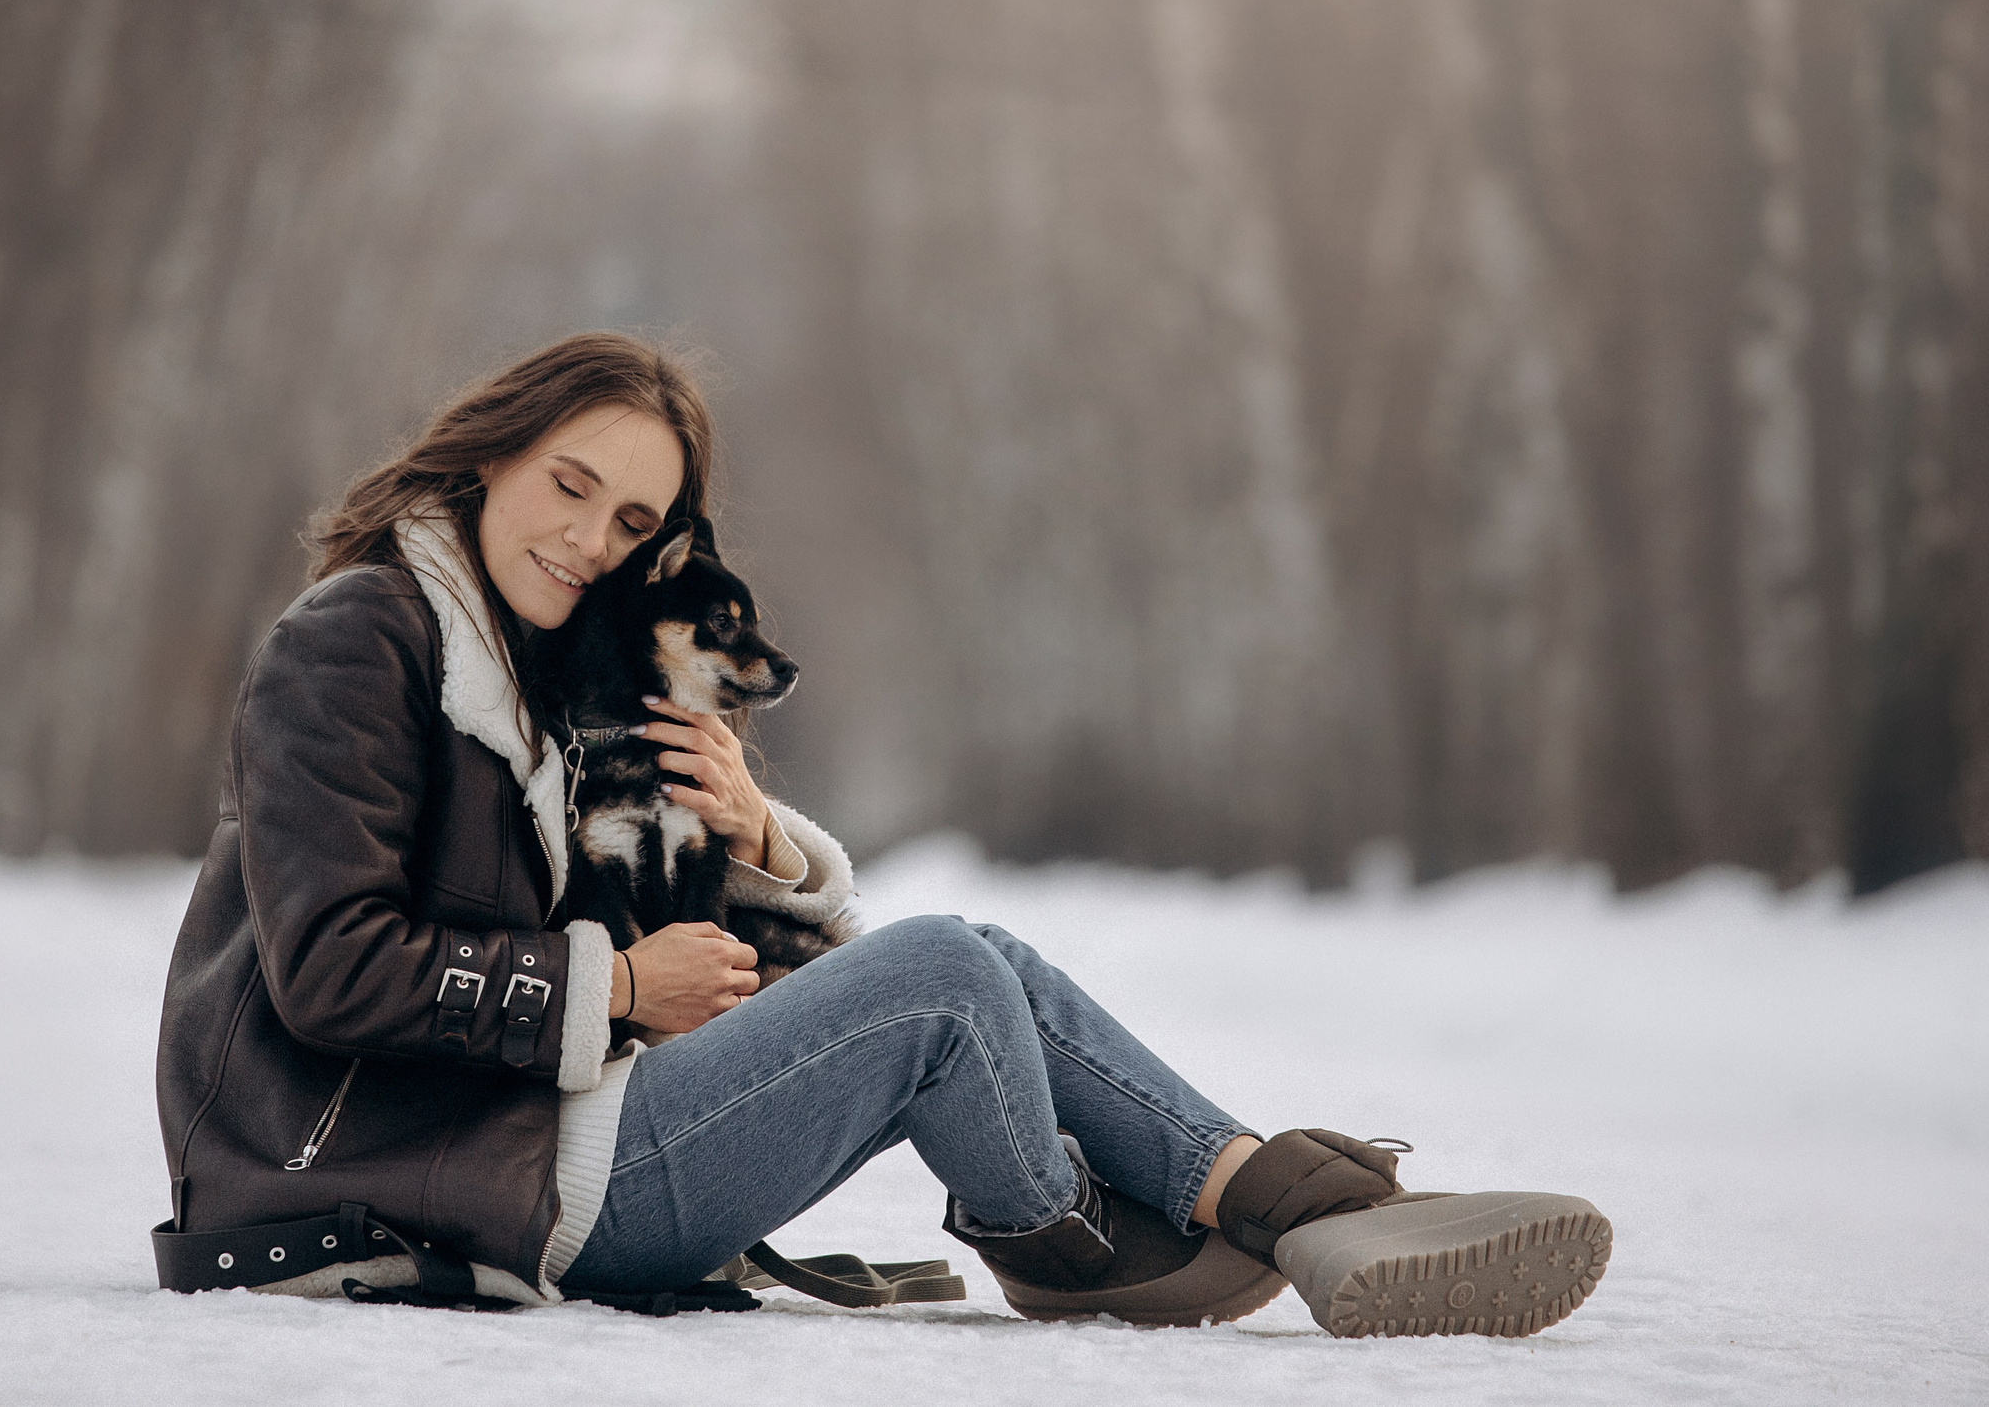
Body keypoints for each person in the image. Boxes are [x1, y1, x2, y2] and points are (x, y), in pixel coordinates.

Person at [151, 333, 1611, 1336]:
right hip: (428, 1178)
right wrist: (620, 984)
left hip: (525, 1143)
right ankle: (1076, 1233)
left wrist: (752, 839)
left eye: (633, 520)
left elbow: (622, 903)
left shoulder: (531, 671)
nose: (590, 540)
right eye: (569, 486)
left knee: (977, 953)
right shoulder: (356, 641)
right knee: (941, 979)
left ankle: (1276, 1198)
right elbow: (333, 970)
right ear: (490, 457)